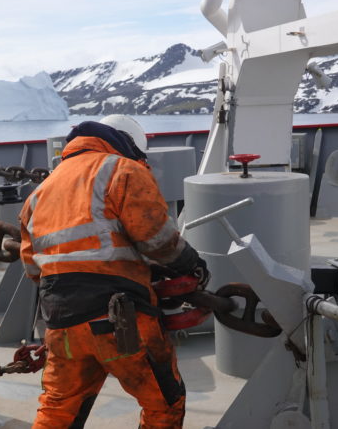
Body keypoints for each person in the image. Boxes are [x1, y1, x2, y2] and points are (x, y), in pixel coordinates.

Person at [19, 120, 206, 429]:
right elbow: (155, 240)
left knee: (58, 408)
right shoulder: (123, 169)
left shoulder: (39, 192)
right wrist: (190, 262)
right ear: (128, 145)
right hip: (119, 320)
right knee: (163, 402)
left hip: (61, 324)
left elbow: (32, 268)